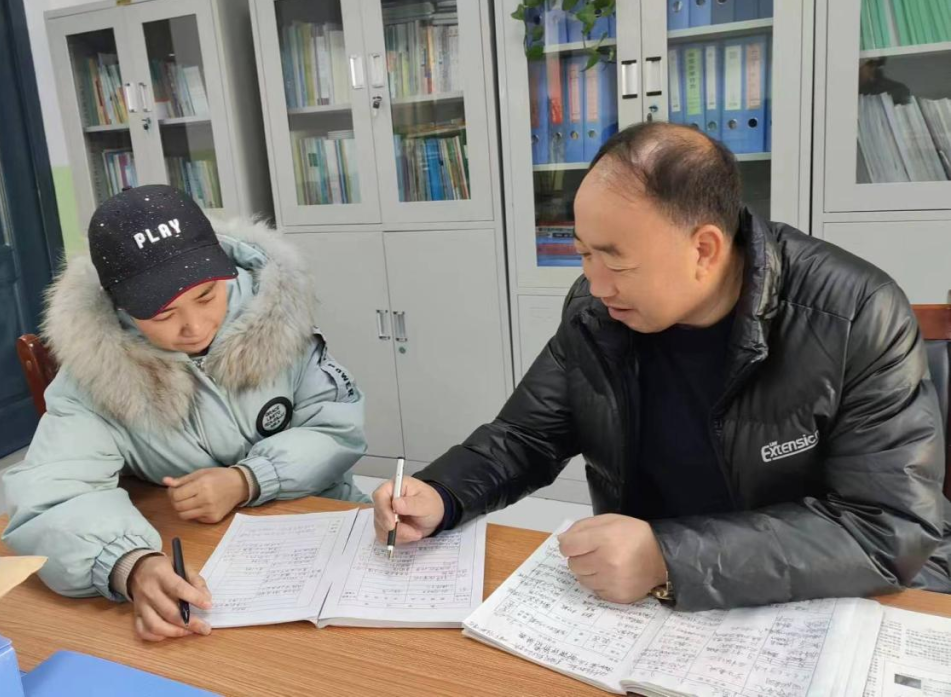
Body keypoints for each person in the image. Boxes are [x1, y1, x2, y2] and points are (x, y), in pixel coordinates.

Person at [373, 121, 951, 612]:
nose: (596, 284)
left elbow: (886, 528)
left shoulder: (855, 315)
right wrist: (442, 493)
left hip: (823, 602)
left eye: (616, 261)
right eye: (583, 253)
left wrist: (669, 557)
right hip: (653, 604)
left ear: (704, 249)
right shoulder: (597, 313)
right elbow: (527, 435)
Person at [4, 185, 368, 640]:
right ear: (119, 307)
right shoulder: (93, 375)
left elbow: (336, 427)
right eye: (163, 314)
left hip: (328, 529)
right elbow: (52, 495)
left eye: (207, 296)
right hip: (205, 561)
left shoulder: (275, 318)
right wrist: (129, 564)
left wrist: (248, 479)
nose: (194, 327)